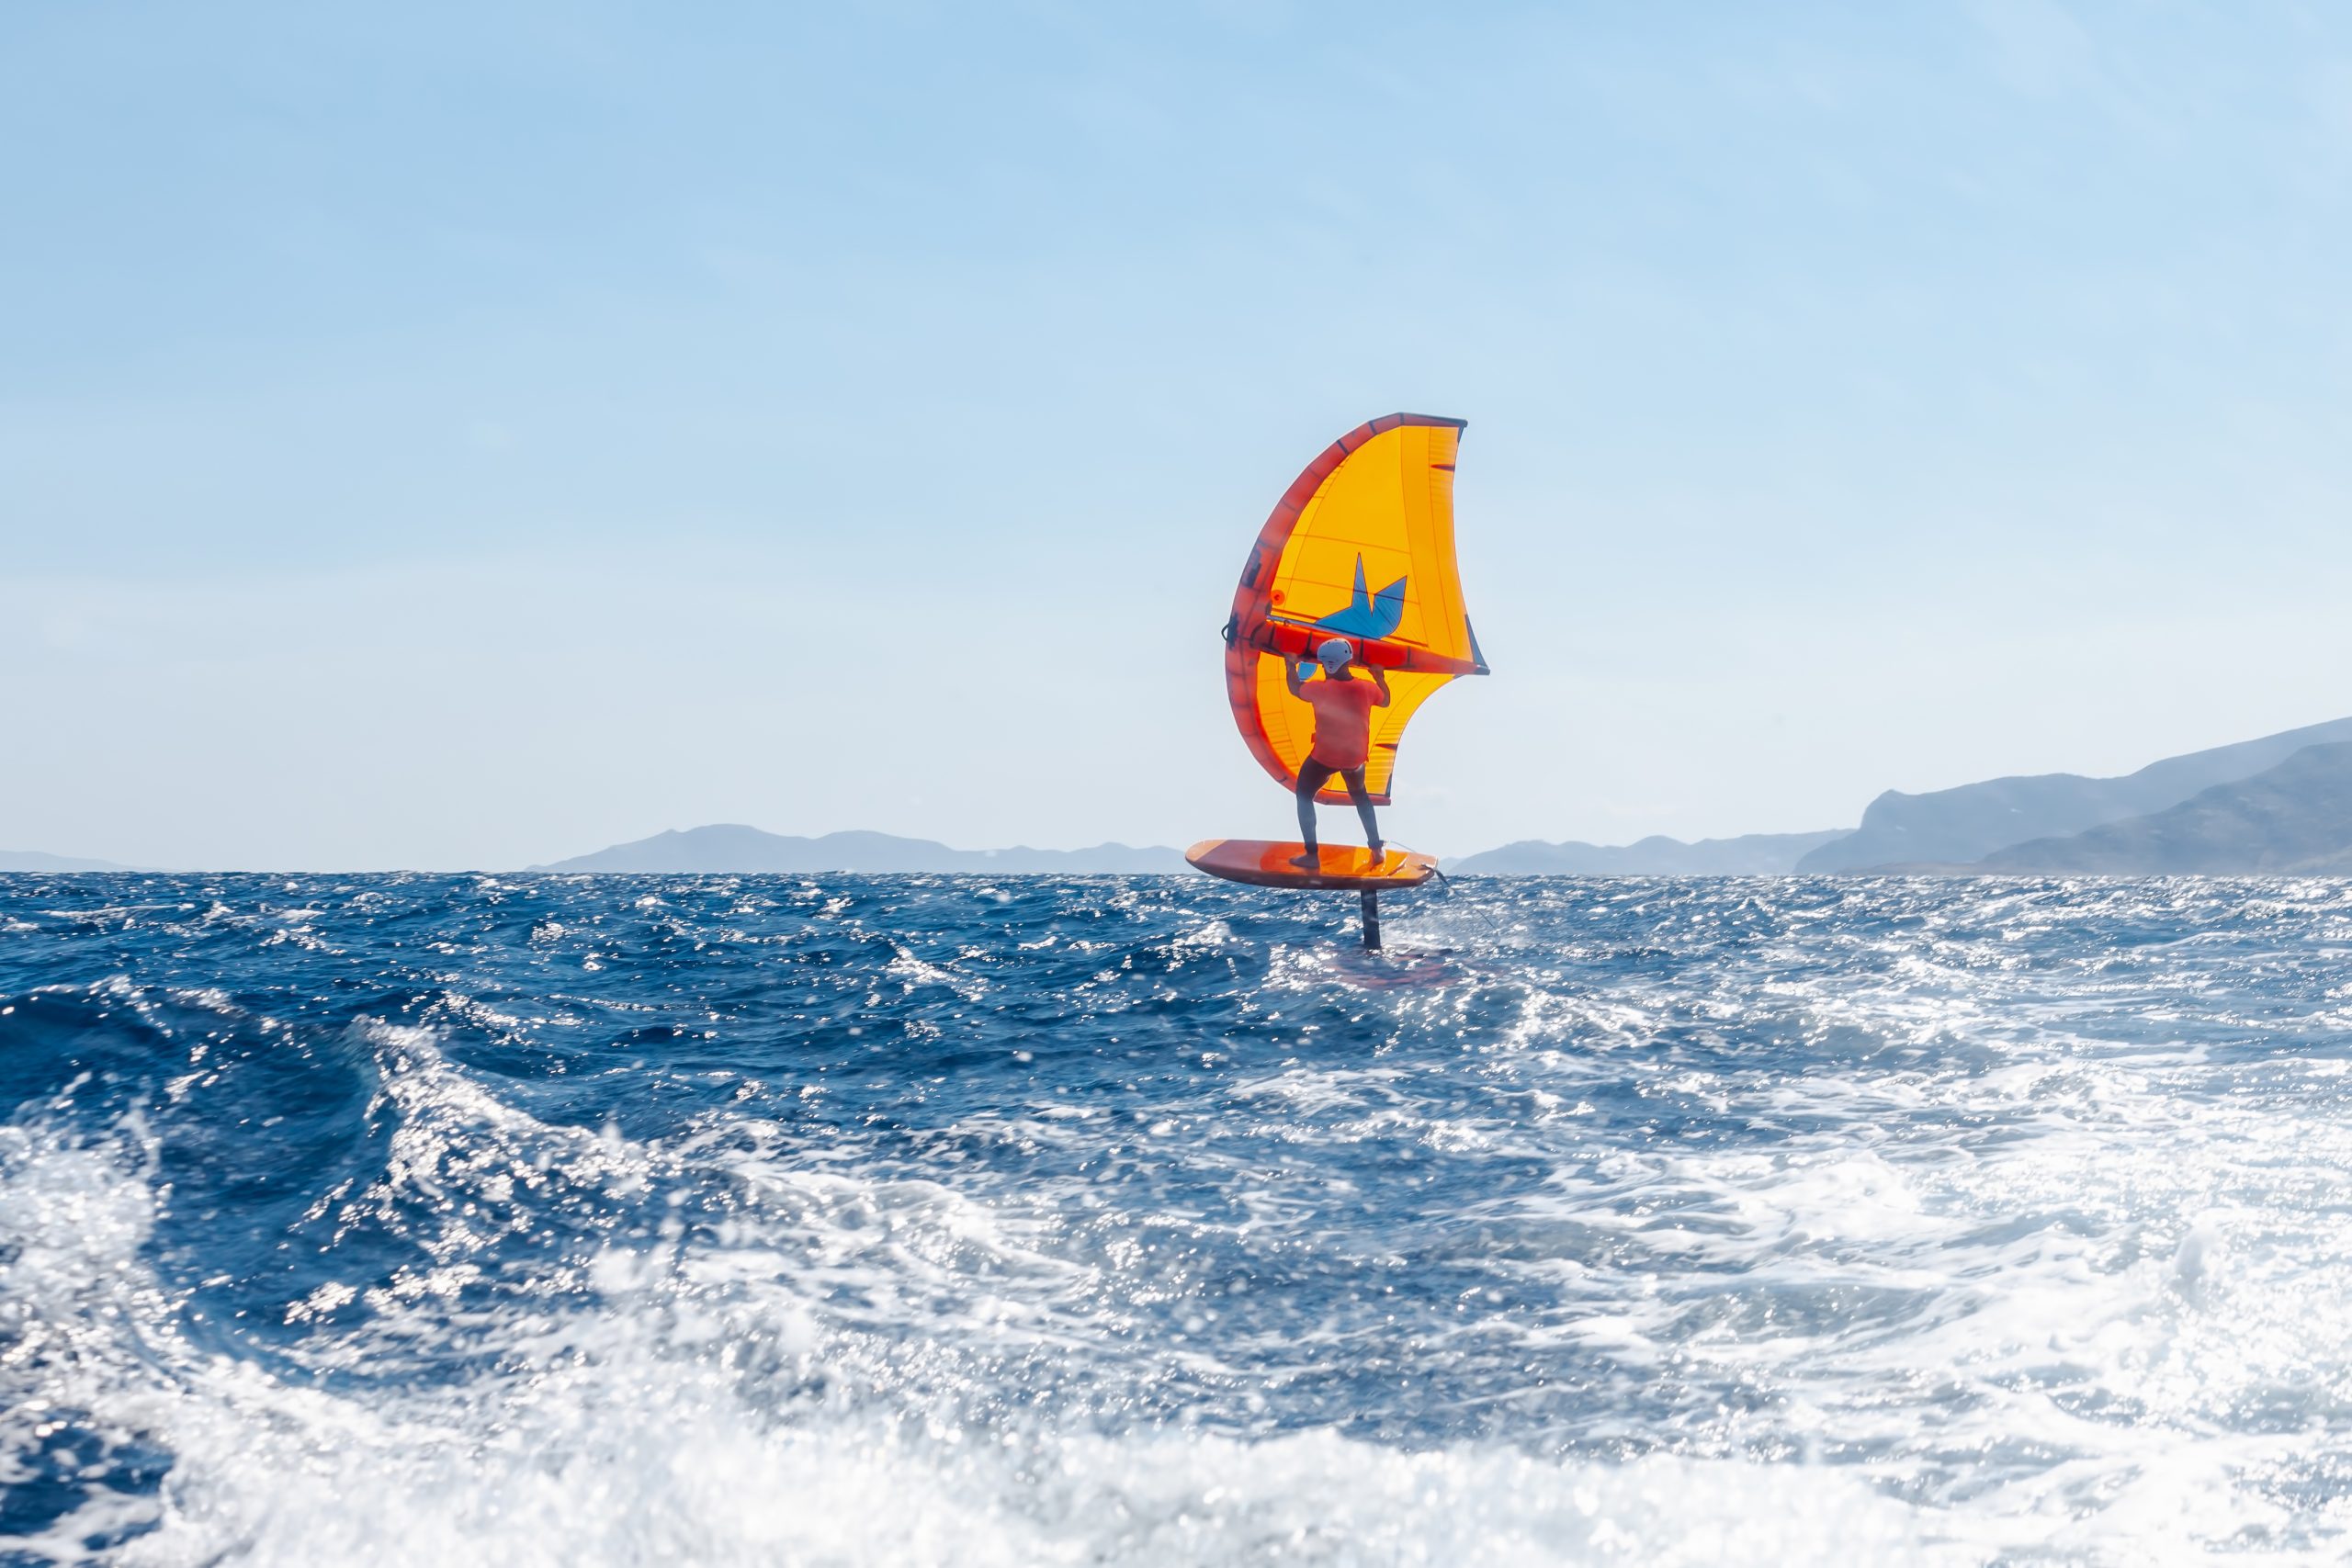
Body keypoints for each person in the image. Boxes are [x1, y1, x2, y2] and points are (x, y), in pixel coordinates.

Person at [1285, 637, 1389, 868]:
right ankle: (1377, 850)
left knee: (1303, 794)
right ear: (1348, 661)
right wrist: (1379, 676)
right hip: (1354, 759)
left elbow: (1294, 688)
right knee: (1360, 796)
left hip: (1325, 757)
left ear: (1326, 664)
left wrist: (1290, 663)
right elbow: (1386, 701)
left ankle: (1311, 855)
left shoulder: (1318, 689)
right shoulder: (1367, 688)